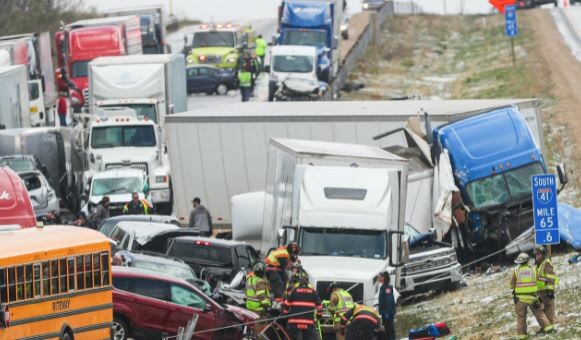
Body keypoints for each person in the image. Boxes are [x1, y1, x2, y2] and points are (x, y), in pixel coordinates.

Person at [509, 252, 554, 338]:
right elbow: (540, 280)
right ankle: (549, 329)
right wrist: (548, 283)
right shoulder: (533, 270)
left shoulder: (516, 271)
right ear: (528, 261)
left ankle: (522, 336)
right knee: (540, 314)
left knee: (521, 318)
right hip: (533, 298)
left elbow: (511, 285)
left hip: (519, 299)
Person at [283, 275, 322, 340]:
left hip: (294, 322)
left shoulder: (294, 291)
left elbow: (286, 305)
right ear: (308, 283)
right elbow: (319, 307)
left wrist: (285, 314)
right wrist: (318, 316)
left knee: (289, 338)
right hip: (308, 322)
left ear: (299, 282)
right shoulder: (313, 292)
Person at [535, 245, 559, 325]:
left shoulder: (546, 263)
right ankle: (547, 326)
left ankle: (551, 325)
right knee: (543, 310)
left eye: (538, 254)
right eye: (536, 254)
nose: (536, 256)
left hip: (546, 290)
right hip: (540, 291)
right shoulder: (539, 265)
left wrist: (550, 290)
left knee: (549, 309)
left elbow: (551, 277)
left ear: (542, 254)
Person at [377, 271, 397, 340]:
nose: (378, 278)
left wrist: (387, 312)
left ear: (383, 278)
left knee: (389, 328)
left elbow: (388, 300)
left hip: (387, 312)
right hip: (385, 312)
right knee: (388, 328)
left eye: (380, 276)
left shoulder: (386, 288)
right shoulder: (383, 287)